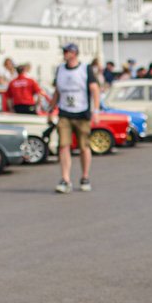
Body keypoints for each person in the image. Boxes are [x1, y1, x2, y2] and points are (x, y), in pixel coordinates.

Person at [46, 42, 100, 193]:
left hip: (82, 112)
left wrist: (96, 111)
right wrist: (51, 109)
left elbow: (95, 89)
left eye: (67, 51)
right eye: (64, 51)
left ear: (74, 53)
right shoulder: (60, 69)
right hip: (65, 112)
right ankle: (65, 179)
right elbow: (57, 91)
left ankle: (85, 176)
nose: (64, 54)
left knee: (84, 146)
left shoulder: (85, 69)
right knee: (63, 145)